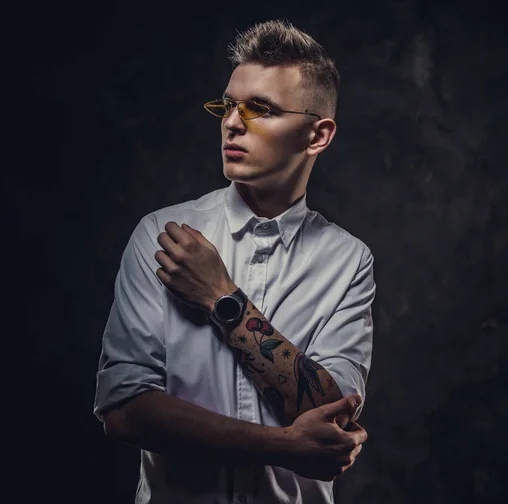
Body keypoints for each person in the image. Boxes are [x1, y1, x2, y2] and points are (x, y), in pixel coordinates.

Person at [93, 19, 376, 504]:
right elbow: (124, 410)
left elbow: (332, 415)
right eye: (229, 104)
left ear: (317, 136)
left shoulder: (347, 260)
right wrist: (283, 446)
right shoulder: (162, 236)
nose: (231, 121)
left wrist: (223, 297)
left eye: (259, 109)